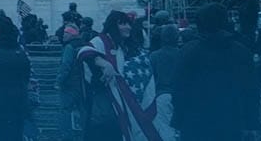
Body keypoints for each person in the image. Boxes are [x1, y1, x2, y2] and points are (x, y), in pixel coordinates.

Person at [171, 3, 257, 141]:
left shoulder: (188, 51)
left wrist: (179, 120)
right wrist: (251, 123)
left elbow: (178, 89)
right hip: (231, 120)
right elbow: (250, 90)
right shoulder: (241, 51)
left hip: (195, 122)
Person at [78, 11, 156, 141]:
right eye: (123, 24)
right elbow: (84, 52)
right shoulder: (101, 41)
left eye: (129, 24)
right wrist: (103, 63)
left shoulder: (123, 45)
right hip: (104, 102)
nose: (128, 27)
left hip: (120, 102)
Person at [147, 25, 180, 140]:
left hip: (162, 95)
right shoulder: (183, 54)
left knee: (166, 129)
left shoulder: (154, 56)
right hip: (181, 95)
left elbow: (151, 78)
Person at [54, 25, 84, 141]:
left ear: (72, 34)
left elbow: (65, 65)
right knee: (82, 110)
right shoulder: (84, 45)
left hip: (69, 84)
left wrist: (58, 81)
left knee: (65, 110)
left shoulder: (69, 47)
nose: (63, 35)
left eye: (66, 33)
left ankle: (66, 136)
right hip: (82, 84)